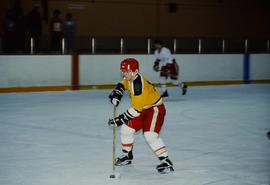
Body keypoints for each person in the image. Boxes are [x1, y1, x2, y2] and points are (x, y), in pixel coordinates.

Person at [108, 58, 174, 174]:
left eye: (127, 72)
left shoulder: (138, 87)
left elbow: (136, 110)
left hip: (154, 109)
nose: (125, 74)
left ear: (135, 71)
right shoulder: (131, 77)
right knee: (126, 130)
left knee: (150, 135)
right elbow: (124, 82)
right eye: (123, 71)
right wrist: (118, 91)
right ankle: (127, 156)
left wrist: (120, 119)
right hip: (142, 109)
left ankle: (166, 161)